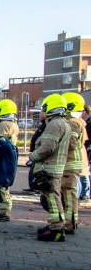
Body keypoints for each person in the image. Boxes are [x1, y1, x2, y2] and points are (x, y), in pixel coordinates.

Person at [29, 94, 71, 242]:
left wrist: (32, 156)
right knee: (54, 197)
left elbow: (47, 147)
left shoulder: (54, 124)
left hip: (49, 168)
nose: (42, 111)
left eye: (44, 108)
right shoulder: (62, 123)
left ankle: (56, 229)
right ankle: (56, 225)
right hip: (55, 167)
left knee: (52, 199)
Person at [61, 92, 88, 233]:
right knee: (70, 195)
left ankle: (69, 224)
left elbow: (71, 144)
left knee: (68, 195)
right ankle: (72, 221)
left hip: (69, 164)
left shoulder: (72, 123)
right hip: (73, 163)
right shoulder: (78, 123)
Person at [0, 99, 20, 222]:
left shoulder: (4, 125)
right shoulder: (13, 124)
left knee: (1, 185)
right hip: (8, 157)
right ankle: (1, 209)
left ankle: (4, 211)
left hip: (3, 157)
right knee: (3, 184)